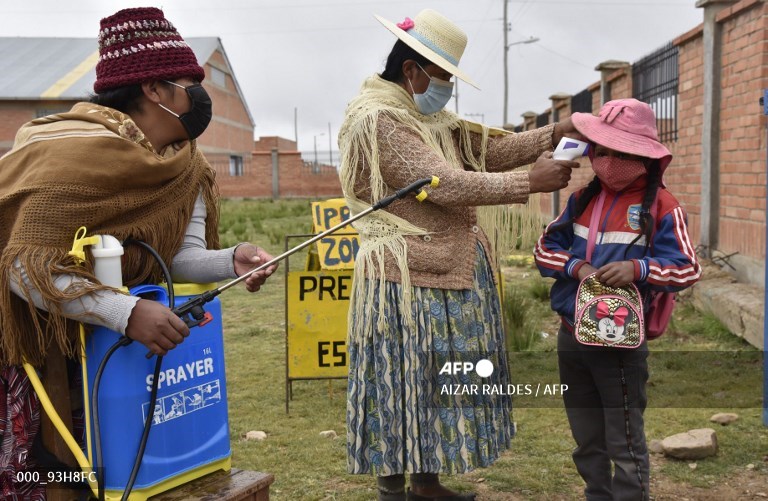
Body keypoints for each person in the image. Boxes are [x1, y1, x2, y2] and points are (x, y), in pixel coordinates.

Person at [0, 7, 276, 498]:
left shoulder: (182, 165)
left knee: (118, 478)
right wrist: (125, 311)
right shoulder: (66, 154)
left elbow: (175, 256)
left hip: (110, 359)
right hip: (35, 354)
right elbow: (25, 267)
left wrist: (227, 259)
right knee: (51, 481)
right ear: (153, 89)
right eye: (187, 83)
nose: (198, 97)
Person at [338, 9, 582, 501]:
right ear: (413, 71)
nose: (447, 88)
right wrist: (527, 183)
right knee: (400, 382)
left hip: (440, 271)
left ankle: (426, 486)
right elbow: (441, 182)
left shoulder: (428, 118)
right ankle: (394, 490)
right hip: (403, 281)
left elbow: (486, 153)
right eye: (444, 76)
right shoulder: (380, 120)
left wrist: (557, 132)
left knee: (430, 386)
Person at [534, 98, 701, 500]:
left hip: (621, 349)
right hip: (571, 339)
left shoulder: (663, 207)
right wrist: (577, 268)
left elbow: (687, 269)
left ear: (644, 157)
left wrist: (638, 269)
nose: (608, 161)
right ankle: (597, 494)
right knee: (587, 440)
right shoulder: (581, 201)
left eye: (620, 152)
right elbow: (543, 250)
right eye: (601, 150)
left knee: (625, 443)